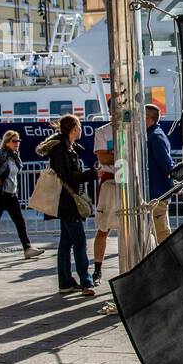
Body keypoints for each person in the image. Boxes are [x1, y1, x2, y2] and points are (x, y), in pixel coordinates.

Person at [41, 114, 97, 297]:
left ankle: (65, 282)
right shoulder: (61, 149)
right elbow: (67, 176)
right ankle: (85, 281)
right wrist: (92, 174)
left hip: (66, 202)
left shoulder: (67, 147)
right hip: (67, 202)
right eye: (79, 126)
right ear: (73, 128)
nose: (81, 129)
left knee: (66, 242)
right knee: (79, 242)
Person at [0, 130, 44, 260]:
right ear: (7, 142)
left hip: (11, 194)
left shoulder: (15, 156)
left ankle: (27, 248)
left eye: (18, 141)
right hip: (0, 194)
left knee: (19, 221)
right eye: (14, 141)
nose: (17, 143)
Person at [91, 118, 118, 285]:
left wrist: (113, 154)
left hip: (129, 181)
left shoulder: (135, 128)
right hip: (109, 181)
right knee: (103, 228)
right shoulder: (102, 131)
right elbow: (103, 158)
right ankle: (97, 269)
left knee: (129, 228)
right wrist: (121, 154)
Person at [145, 104, 174, 244]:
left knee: (162, 233)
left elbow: (166, 165)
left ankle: (172, 263)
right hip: (155, 193)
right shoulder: (153, 135)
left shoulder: (155, 137)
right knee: (158, 233)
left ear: (148, 118)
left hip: (157, 194)